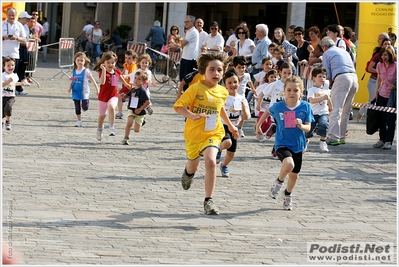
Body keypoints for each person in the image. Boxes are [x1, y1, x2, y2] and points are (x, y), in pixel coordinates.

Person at [173, 52, 239, 215]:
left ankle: (208, 201)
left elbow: (220, 108)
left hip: (213, 132)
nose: (216, 73)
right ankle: (188, 173)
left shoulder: (223, 91)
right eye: (212, 70)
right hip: (194, 134)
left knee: (210, 162)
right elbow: (179, 106)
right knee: (193, 165)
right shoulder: (195, 88)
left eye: (219, 70)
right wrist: (192, 115)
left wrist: (230, 126)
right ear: (204, 71)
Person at [256, 76, 313, 211]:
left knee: (294, 176)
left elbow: (308, 128)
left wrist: (301, 126)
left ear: (302, 91)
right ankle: (278, 182)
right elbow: (267, 111)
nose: (292, 93)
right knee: (288, 164)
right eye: (289, 90)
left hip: (298, 145)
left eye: (295, 90)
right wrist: (258, 125)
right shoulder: (279, 106)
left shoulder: (306, 107)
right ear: (284, 91)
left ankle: (287, 195)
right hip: (282, 143)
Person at [321, 36, 358, 146]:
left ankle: (333, 137)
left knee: (335, 109)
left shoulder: (327, 54)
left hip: (342, 78)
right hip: (354, 78)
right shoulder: (344, 51)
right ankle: (341, 136)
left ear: (324, 47)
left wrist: (327, 88)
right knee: (346, 111)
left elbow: (327, 75)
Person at [217, 69, 250, 176]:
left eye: (235, 82)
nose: (233, 85)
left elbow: (246, 117)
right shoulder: (223, 97)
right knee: (227, 142)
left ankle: (224, 165)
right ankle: (218, 149)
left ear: (239, 83)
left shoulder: (242, 99)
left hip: (235, 128)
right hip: (223, 126)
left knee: (231, 153)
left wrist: (244, 110)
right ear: (225, 84)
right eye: (229, 83)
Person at [258, 62, 294, 159]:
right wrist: (258, 104)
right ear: (280, 73)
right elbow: (263, 92)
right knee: (281, 130)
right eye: (284, 73)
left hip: (289, 111)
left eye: (289, 73)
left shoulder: (293, 84)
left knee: (286, 131)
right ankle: (276, 149)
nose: (286, 75)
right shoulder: (275, 84)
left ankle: (274, 129)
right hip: (277, 111)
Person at [93, 52, 130, 140]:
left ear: (115, 63)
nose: (110, 64)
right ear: (104, 63)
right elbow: (102, 82)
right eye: (108, 62)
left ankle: (111, 127)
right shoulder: (102, 72)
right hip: (103, 97)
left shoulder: (116, 71)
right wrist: (104, 70)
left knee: (112, 107)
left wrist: (125, 84)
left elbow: (120, 77)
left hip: (113, 95)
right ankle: (99, 129)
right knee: (102, 116)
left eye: (112, 62)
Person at [372, 46, 397, 150]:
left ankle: (389, 141)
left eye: (386, 55)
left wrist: (395, 85)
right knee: (381, 118)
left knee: (390, 119)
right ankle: (382, 139)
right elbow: (379, 79)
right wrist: (376, 93)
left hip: (392, 95)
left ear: (391, 55)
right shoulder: (379, 65)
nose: (383, 57)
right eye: (382, 55)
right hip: (382, 93)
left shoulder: (396, 66)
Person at [68, 52, 99, 127]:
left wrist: (97, 89)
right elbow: (71, 80)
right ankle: (79, 120)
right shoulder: (74, 72)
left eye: (81, 60)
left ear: (84, 61)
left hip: (84, 92)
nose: (80, 62)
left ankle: (84, 104)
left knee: (85, 107)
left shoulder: (86, 71)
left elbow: (93, 80)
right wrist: (69, 87)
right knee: (77, 107)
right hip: (75, 92)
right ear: (75, 61)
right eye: (78, 60)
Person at [305, 67, 332, 152]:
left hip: (323, 112)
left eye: (324, 77)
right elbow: (311, 100)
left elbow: (328, 98)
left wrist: (331, 105)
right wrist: (322, 97)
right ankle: (305, 141)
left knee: (324, 125)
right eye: (320, 76)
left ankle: (323, 141)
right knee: (309, 130)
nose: (322, 79)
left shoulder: (326, 90)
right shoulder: (312, 89)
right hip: (313, 113)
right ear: (314, 78)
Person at [120, 71, 151, 145]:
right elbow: (128, 95)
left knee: (136, 130)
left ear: (143, 81)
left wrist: (140, 109)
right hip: (131, 108)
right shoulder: (133, 89)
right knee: (129, 122)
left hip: (140, 111)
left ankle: (142, 121)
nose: (136, 80)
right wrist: (124, 95)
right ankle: (126, 137)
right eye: (135, 78)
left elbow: (147, 102)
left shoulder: (142, 91)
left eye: (139, 79)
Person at [2, 7, 27, 96]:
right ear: (6, 15)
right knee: (2, 75)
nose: (11, 17)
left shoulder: (19, 25)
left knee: (13, 75)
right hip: (3, 54)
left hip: (14, 54)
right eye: (9, 15)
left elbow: (24, 39)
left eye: (13, 15)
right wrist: (3, 38)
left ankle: (10, 92)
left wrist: (16, 38)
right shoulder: (2, 24)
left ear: (16, 15)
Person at [233, 56, 256, 137]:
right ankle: (233, 127)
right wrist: (238, 81)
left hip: (242, 98)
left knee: (243, 114)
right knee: (234, 113)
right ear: (235, 67)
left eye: (243, 67)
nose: (241, 69)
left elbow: (249, 82)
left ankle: (240, 128)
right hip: (233, 98)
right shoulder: (233, 76)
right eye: (239, 67)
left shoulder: (247, 75)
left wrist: (253, 89)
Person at [255, 69, 278, 142]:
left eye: (275, 77)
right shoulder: (264, 86)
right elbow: (256, 95)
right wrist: (259, 102)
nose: (273, 79)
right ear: (267, 78)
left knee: (268, 123)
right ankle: (259, 132)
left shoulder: (277, 86)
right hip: (263, 108)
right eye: (271, 77)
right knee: (263, 121)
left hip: (272, 108)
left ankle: (261, 131)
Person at [2, 57, 25, 130]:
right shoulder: (3, 75)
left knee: (8, 108)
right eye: (8, 65)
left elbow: (14, 83)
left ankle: (8, 122)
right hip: (2, 96)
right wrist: (8, 80)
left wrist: (20, 83)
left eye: (12, 65)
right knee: (2, 111)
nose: (10, 67)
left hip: (10, 96)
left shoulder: (15, 76)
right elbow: (2, 84)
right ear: (4, 66)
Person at [366, 32, 389, 101]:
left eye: (380, 39)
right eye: (379, 39)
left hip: (384, 83)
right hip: (374, 80)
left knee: (375, 102)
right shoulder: (377, 54)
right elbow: (369, 68)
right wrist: (381, 71)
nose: (378, 41)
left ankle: (361, 112)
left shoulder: (393, 55)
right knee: (372, 101)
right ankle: (360, 112)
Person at [116, 50, 138, 119]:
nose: (127, 60)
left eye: (129, 58)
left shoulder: (133, 66)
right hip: (126, 85)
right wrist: (119, 75)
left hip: (132, 86)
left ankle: (136, 114)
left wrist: (126, 76)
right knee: (119, 96)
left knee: (133, 102)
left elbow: (132, 74)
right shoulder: (125, 65)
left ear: (134, 59)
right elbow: (123, 72)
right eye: (126, 58)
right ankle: (120, 113)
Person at [179, 15, 199, 82]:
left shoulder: (193, 31)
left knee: (187, 79)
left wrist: (179, 41)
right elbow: (182, 44)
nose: (185, 23)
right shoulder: (188, 31)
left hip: (190, 58)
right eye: (185, 22)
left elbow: (183, 42)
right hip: (185, 56)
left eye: (187, 22)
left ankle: (187, 91)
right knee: (182, 77)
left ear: (192, 22)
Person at [16, 11, 32, 94]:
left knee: (22, 68)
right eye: (26, 18)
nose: (27, 20)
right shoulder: (17, 25)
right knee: (16, 68)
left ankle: (19, 87)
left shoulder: (26, 27)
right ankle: (15, 87)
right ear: (21, 18)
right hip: (18, 48)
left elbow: (26, 38)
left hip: (24, 48)